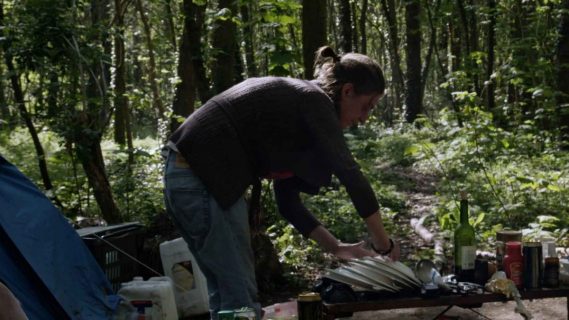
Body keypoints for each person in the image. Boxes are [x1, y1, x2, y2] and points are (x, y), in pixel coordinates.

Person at [163, 46, 400, 320]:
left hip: (188, 175)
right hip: (200, 178)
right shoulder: (314, 100)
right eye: (366, 106)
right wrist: (384, 246)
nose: (364, 118)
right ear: (347, 91)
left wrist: (335, 246)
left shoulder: (297, 113)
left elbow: (287, 202)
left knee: (228, 296)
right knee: (239, 297)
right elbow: (350, 174)